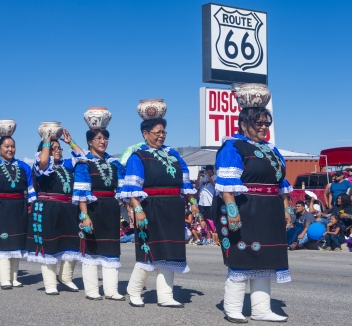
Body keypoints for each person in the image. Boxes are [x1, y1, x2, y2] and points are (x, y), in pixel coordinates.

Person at [213, 107, 291, 322]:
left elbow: (281, 183)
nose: (264, 127)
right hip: (244, 208)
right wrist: (232, 211)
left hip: (270, 211)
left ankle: (261, 310)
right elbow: (226, 186)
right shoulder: (233, 146)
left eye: (266, 123)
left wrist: (286, 209)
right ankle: (233, 308)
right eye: (259, 123)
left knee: (266, 259)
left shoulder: (271, 149)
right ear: (244, 125)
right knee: (243, 257)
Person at [119, 117, 199, 308]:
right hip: (150, 207)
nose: (161, 136)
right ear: (145, 134)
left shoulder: (173, 154)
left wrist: (193, 202)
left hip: (173, 207)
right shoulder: (138, 156)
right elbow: (132, 188)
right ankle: (135, 291)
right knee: (149, 250)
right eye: (157, 132)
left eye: (163, 132)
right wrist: (138, 210)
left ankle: (165, 295)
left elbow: (185, 182)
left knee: (170, 251)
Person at [26, 130, 84, 295]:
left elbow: (83, 158)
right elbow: (44, 161)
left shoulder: (66, 165)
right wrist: (46, 141)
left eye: (59, 148)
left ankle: (65, 277)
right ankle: (50, 283)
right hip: (48, 208)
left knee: (71, 243)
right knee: (49, 246)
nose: (58, 150)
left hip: (68, 209)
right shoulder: (40, 166)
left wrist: (70, 142)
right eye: (53, 148)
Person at [72, 127, 126, 301]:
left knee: (111, 247)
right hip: (92, 207)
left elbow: (124, 188)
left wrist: (130, 210)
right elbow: (81, 193)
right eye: (98, 138)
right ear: (90, 142)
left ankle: (111, 290)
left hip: (111, 207)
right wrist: (85, 216)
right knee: (92, 249)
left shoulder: (115, 163)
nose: (103, 142)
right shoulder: (83, 163)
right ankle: (92, 289)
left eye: (105, 138)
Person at [0, 134, 37, 290]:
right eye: (7, 146)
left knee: (17, 242)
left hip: (20, 207)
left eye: (12, 146)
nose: (10, 149)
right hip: (1, 207)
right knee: (4, 241)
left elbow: (31, 189)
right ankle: (5, 279)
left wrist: (31, 208)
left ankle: (14, 277)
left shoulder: (24, 166)